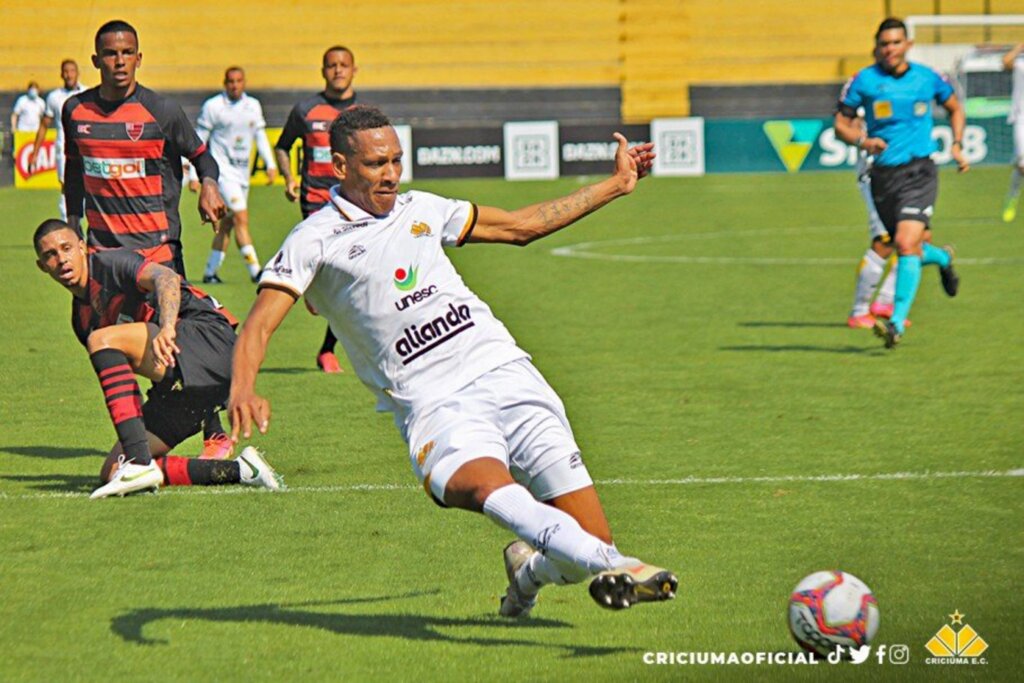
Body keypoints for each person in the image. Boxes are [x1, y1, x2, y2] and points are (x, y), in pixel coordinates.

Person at [230, 106, 678, 615]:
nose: (392, 174)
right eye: (377, 163)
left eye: (397, 160)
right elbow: (260, 323)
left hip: (506, 372)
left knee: (579, 545)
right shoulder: (314, 239)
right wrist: (243, 386)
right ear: (339, 166)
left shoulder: (423, 208)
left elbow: (520, 226)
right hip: (434, 403)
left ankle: (531, 573)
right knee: (490, 486)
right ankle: (619, 563)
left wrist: (616, 184)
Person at [63, 19, 232, 457]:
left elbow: (201, 155)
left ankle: (211, 425)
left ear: (139, 58)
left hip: (156, 249)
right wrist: (71, 225)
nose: (119, 61)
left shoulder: (161, 111)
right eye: (111, 54)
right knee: (96, 337)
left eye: (127, 53)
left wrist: (209, 185)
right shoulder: (75, 112)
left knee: (171, 340)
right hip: (101, 252)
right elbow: (74, 172)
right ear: (96, 60)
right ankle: (143, 426)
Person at [33, 219, 284, 499]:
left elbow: (166, 277)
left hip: (209, 341)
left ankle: (139, 465)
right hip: (184, 379)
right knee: (113, 470)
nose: (61, 259)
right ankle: (242, 470)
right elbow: (123, 383)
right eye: (50, 255)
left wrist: (167, 327)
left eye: (67, 248)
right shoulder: (81, 320)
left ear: (82, 247)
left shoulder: (107, 264)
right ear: (42, 267)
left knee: (101, 340)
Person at [834, 17, 966, 348]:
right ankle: (945, 260)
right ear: (875, 47)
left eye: (896, 42)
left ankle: (895, 323)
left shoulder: (928, 78)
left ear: (907, 44)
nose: (890, 49)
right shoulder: (863, 81)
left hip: (920, 171)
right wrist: (863, 142)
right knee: (909, 245)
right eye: (884, 44)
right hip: (883, 176)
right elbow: (841, 125)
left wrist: (957, 143)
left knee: (905, 244)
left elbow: (954, 107)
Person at [274, 46, 358, 373]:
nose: (338, 70)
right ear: (323, 71)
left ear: (354, 70)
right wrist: (288, 177)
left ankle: (327, 349)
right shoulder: (306, 110)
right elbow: (283, 146)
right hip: (316, 203)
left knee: (347, 279)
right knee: (331, 274)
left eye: (344, 65)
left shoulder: (364, 113)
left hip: (353, 205)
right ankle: (314, 287)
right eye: (331, 65)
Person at [187, 66, 279, 284]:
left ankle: (210, 272)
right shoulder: (213, 107)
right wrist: (193, 173)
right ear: (224, 83)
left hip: (242, 174)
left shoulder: (253, 106)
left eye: (239, 81)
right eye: (231, 81)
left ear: (244, 82)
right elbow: (199, 140)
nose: (235, 85)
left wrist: (270, 163)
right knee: (241, 217)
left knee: (227, 224)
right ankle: (256, 271)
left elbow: (260, 136)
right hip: (222, 173)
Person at [30, 59, 87, 220]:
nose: (69, 75)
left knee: (90, 188)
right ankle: (70, 227)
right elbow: (44, 125)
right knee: (66, 188)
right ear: (61, 74)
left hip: (86, 150)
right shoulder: (54, 97)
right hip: (64, 151)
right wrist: (35, 153)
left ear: (77, 73)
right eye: (66, 71)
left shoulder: (87, 94)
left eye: (72, 71)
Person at [1002, 42, 1024, 222]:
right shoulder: (1021, 64)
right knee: (1022, 165)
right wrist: (1019, 47)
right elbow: (1006, 62)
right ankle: (1013, 196)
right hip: (1021, 118)